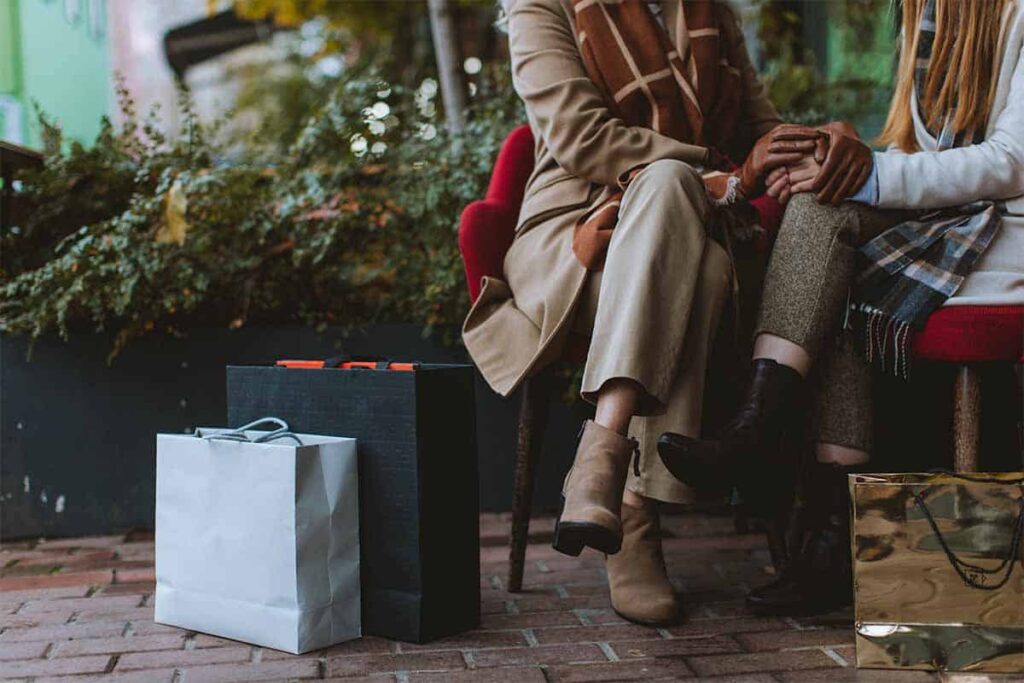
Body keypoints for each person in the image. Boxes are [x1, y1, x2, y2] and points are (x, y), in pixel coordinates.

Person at [659, 0, 1024, 615]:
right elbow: (927, 151)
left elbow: (1011, 163)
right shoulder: (929, 14)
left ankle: (790, 477)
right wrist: (835, 157)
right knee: (817, 204)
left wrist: (871, 175)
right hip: (957, 218)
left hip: (1007, 233)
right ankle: (776, 448)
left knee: (838, 248)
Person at [465, 0, 822, 625]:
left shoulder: (709, 10)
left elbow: (760, 128)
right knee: (680, 217)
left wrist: (816, 145)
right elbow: (580, 136)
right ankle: (635, 512)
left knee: (695, 248)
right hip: (578, 233)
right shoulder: (540, 5)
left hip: (693, 232)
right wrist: (724, 177)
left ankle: (604, 472)